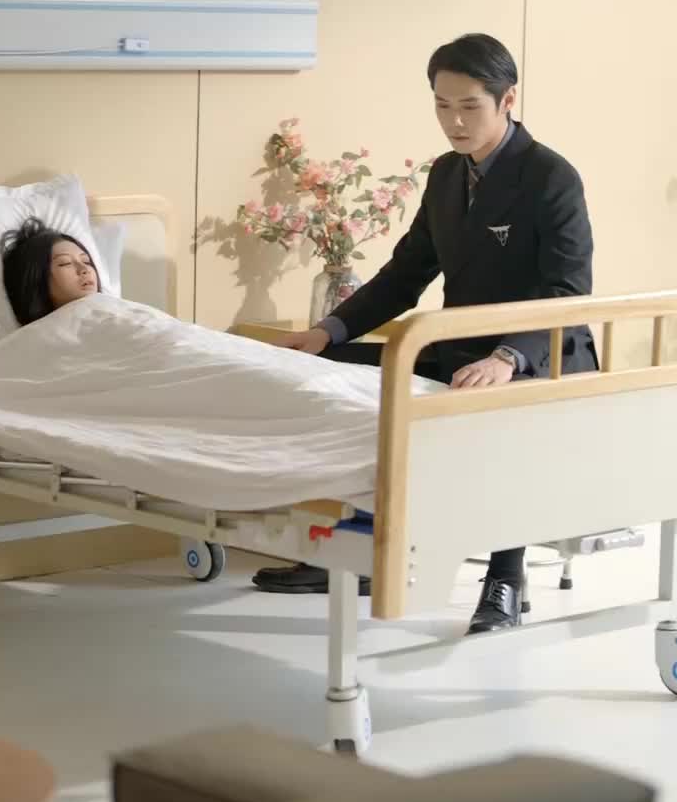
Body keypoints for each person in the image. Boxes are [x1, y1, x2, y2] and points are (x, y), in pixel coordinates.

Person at [251, 33, 598, 633]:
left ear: (507, 100)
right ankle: (359, 546)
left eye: (469, 106)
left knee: (498, 413)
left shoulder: (550, 176)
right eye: (442, 105)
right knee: (327, 372)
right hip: (455, 348)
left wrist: (507, 356)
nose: (454, 121)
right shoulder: (445, 175)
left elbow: (568, 291)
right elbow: (406, 273)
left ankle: (506, 578)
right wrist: (326, 332)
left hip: (541, 353)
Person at [1, 218, 101, 326]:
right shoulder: (37, 334)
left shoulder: (111, 315)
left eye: (86, 261)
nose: (84, 269)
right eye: (65, 263)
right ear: (38, 281)